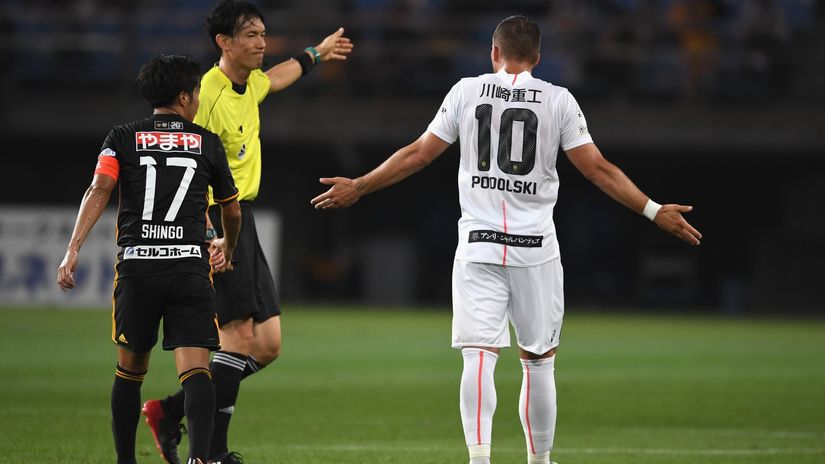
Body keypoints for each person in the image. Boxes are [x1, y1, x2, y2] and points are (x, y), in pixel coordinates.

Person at [311, 15, 702, 464]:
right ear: (538, 58)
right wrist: (654, 210)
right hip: (534, 249)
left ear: (493, 53)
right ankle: (540, 462)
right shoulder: (559, 100)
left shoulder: (465, 91)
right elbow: (599, 169)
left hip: (477, 244)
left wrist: (359, 185)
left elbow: (419, 154)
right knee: (538, 360)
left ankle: (480, 461)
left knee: (478, 356)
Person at [140, 2, 353, 463]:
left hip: (242, 219)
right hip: (213, 220)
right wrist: (200, 234)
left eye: (263, 33)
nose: (262, 42)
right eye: (252, 35)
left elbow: (278, 76)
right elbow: (181, 169)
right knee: (236, 336)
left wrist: (316, 53)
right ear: (224, 42)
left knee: (268, 344)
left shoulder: (250, 83)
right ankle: (213, 453)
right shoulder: (206, 97)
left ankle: (169, 411)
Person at [56, 54, 242, 464]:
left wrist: (73, 250)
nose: (196, 101)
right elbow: (232, 208)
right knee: (195, 370)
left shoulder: (121, 137)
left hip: (139, 269)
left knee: (130, 371)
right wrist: (226, 246)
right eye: (195, 93)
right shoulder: (206, 141)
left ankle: (126, 461)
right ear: (183, 96)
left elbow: (99, 189)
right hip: (189, 268)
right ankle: (199, 459)